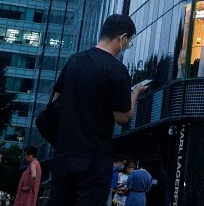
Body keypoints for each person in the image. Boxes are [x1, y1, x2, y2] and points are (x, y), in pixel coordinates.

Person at [49, 14, 148, 206]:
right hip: (95, 157)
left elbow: (55, 101)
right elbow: (122, 117)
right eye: (129, 42)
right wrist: (135, 93)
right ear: (122, 38)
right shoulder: (117, 70)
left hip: (64, 152)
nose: (127, 46)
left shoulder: (74, 60)